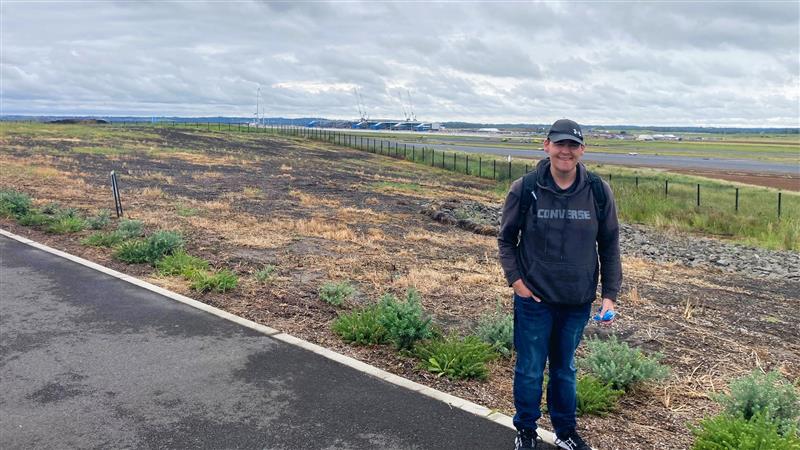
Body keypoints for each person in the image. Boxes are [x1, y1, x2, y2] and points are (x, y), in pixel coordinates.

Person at [498, 119, 622, 450]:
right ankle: (526, 430)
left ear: (582, 150)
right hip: (534, 300)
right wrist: (518, 283)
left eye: (572, 145)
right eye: (559, 144)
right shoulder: (525, 188)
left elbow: (609, 244)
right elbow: (507, 240)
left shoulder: (597, 191)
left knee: (564, 370)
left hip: (577, 300)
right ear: (547, 146)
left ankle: (565, 433)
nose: (565, 151)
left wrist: (609, 295)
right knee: (530, 369)